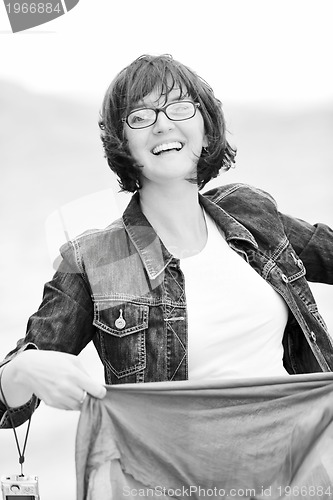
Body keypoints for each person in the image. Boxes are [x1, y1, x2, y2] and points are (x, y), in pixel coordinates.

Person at [1, 53, 333, 428]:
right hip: (176, 481)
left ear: (206, 130)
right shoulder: (95, 259)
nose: (162, 125)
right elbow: (6, 408)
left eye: (179, 107)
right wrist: (22, 370)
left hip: (297, 467)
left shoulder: (252, 213)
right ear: (122, 144)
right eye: (140, 117)